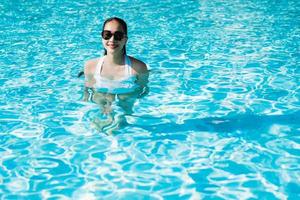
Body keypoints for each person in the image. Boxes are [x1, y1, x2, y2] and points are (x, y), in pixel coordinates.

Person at [82, 17, 149, 131]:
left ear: (125, 40)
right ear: (102, 37)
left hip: (125, 110)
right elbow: (87, 93)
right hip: (101, 109)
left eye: (118, 36)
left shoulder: (138, 68)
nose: (112, 39)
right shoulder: (90, 66)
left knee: (125, 98)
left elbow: (142, 91)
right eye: (107, 34)